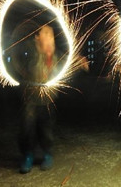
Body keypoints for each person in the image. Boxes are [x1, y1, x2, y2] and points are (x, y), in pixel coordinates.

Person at [10, 20, 89, 174]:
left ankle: (47, 154)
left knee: (46, 127)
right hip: (30, 98)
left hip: (49, 98)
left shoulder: (55, 53)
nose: (50, 37)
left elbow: (66, 67)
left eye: (51, 35)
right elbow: (19, 59)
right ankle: (28, 155)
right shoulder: (29, 50)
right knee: (27, 127)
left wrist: (78, 63)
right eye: (46, 33)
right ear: (37, 38)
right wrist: (40, 52)